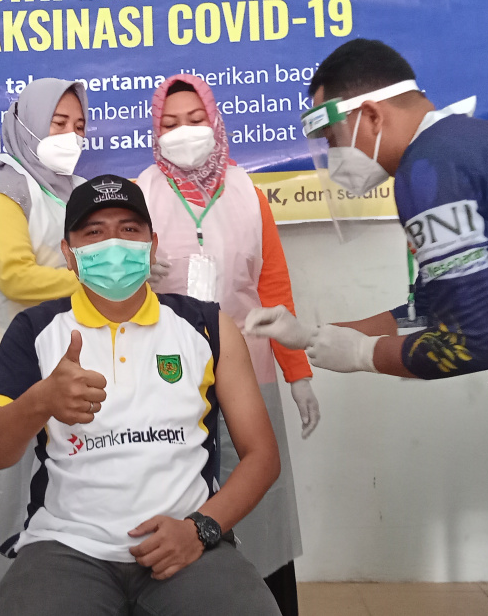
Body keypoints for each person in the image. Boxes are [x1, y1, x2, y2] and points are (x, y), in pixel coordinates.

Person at [246, 38, 488, 616]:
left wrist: (363, 355)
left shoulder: (428, 169)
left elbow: (470, 343)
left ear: (370, 115)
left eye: (332, 139)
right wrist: (310, 334)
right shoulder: (467, 144)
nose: (332, 156)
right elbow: (434, 306)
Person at [0, 174, 283, 616]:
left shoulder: (207, 326)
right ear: (69, 254)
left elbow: (262, 456)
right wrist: (40, 401)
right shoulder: (35, 330)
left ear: (152, 246)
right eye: (94, 232)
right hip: (66, 546)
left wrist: (201, 529)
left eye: (129, 229)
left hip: (187, 540)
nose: (113, 244)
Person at [135, 74, 319, 615]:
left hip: (248, 371)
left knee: (256, 501)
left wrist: (298, 374)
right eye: (170, 123)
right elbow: (112, 285)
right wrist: (137, 270)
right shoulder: (141, 193)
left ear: (215, 122)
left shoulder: (247, 193)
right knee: (177, 499)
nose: (183, 132)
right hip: (167, 375)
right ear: (155, 131)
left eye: (195, 120)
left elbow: (274, 288)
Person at [0, 77, 87, 611]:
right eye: (58, 124)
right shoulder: (0, 191)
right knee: (7, 505)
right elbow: (14, 277)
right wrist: (96, 278)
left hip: (68, 355)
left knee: (64, 496)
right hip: (6, 362)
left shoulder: (76, 189)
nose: (70, 136)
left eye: (78, 126)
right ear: (28, 124)